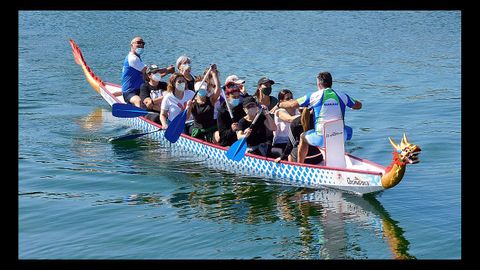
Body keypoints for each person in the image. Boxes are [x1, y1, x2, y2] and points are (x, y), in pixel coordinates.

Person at [278, 71, 362, 163]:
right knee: (347, 130)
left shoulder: (313, 96)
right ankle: (339, 157)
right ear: (331, 83)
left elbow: (292, 104)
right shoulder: (343, 96)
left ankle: (300, 165)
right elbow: (358, 106)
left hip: (321, 138)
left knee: (302, 137)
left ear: (318, 83)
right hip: (341, 136)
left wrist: (280, 104)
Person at [121, 36, 174, 107]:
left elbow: (150, 76)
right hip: (130, 92)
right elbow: (151, 71)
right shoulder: (132, 58)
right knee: (138, 101)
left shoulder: (137, 58)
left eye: (143, 43)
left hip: (141, 89)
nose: (141, 45)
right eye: (138, 43)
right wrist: (167, 70)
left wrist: (167, 72)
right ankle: (139, 116)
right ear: (131, 45)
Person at [189, 65, 221, 142]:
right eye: (201, 90)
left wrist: (214, 75)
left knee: (219, 135)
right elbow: (186, 117)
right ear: (197, 90)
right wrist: (189, 107)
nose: (203, 91)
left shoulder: (211, 100)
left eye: (204, 89)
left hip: (211, 129)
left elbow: (218, 88)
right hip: (198, 131)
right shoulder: (192, 103)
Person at [270, 89, 301, 158]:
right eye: (288, 99)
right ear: (281, 102)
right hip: (281, 143)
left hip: (294, 143)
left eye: (292, 98)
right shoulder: (279, 111)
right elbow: (289, 119)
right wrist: (304, 116)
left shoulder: (297, 110)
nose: (291, 100)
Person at [213, 82, 246, 146]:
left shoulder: (241, 108)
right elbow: (222, 136)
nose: (236, 99)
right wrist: (232, 129)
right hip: (227, 142)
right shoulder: (221, 112)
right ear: (227, 97)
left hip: (240, 139)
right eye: (234, 97)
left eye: (238, 97)